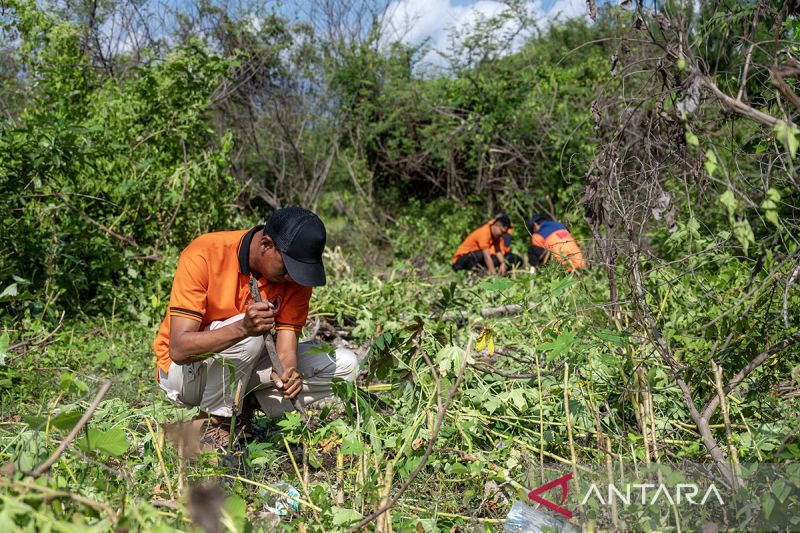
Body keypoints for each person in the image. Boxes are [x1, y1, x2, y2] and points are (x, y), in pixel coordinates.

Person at [152, 207, 358, 449]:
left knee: (346, 365)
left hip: (240, 372)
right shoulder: (205, 253)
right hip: (185, 375)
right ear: (266, 245)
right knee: (251, 337)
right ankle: (213, 427)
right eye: (288, 268)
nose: (293, 278)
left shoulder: (294, 277)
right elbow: (179, 349)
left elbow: (286, 349)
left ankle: (239, 411)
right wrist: (242, 328)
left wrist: (287, 373)